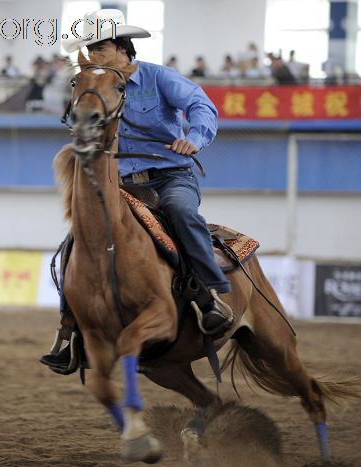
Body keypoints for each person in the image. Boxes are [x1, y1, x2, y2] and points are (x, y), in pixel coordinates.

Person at [40, 8, 233, 371]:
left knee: (180, 212)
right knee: (79, 235)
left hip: (171, 175)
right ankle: (68, 329)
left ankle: (210, 299)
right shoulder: (93, 83)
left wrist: (193, 138)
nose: (92, 54)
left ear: (123, 49)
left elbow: (200, 105)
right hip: (123, 182)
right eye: (89, 48)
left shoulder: (160, 78)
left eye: (99, 47)